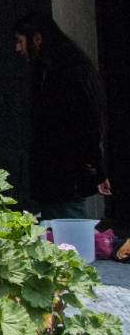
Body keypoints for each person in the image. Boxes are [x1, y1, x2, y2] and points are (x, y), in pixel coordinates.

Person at [14, 12, 110, 219]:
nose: (18, 48)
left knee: (67, 224)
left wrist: (96, 167)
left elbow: (84, 123)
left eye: (20, 41)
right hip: (55, 176)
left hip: (64, 175)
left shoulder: (64, 72)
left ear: (37, 39)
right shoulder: (52, 70)